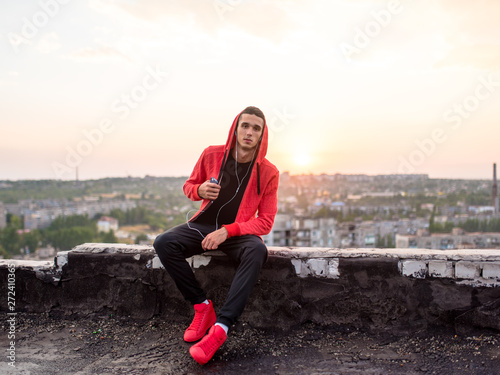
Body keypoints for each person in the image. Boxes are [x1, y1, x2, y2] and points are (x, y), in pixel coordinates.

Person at [153, 106, 279, 365]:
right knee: (163, 242)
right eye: (245, 125)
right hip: (203, 225)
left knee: (257, 251)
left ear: (262, 135)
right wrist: (199, 190)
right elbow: (188, 186)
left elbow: (265, 221)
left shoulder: (268, 172)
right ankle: (202, 307)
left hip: (235, 232)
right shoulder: (211, 154)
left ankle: (221, 328)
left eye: (256, 128)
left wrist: (228, 231)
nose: (249, 132)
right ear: (236, 127)